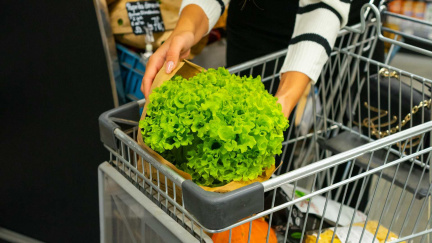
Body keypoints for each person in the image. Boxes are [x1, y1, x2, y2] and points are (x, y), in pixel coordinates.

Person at [141, 0, 354, 119]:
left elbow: (324, 7)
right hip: (255, 15)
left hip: (347, 25)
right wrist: (185, 30)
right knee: (266, 155)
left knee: (352, 131)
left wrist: (286, 98)